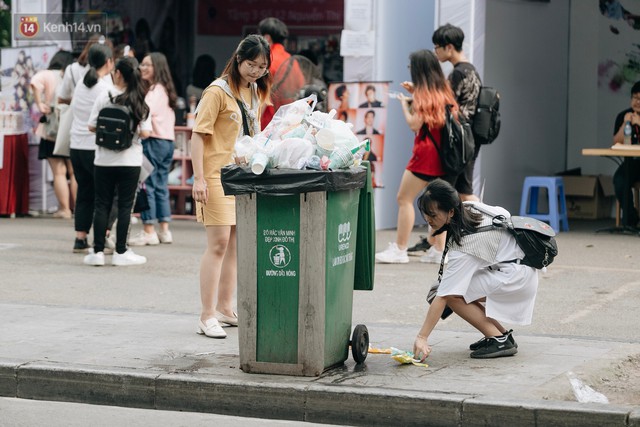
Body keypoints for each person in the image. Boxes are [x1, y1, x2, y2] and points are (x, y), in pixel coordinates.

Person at [190, 34, 271, 338]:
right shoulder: (217, 91)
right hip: (216, 174)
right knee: (219, 244)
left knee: (235, 245)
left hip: (242, 176)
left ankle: (225, 308)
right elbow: (198, 135)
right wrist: (198, 178)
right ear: (239, 59)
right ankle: (206, 314)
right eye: (252, 64)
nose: (256, 71)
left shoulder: (255, 92)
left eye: (262, 67)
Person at [412, 179, 538, 360]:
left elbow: (444, 294)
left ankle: (497, 338)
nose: (428, 220)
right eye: (425, 214)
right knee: (457, 289)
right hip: (520, 270)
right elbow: (504, 213)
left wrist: (422, 337)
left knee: (453, 295)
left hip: (515, 278)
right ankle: (503, 336)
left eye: (433, 215)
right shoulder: (471, 207)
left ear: (451, 211)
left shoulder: (465, 243)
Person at [374, 49, 459, 265]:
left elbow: (414, 124)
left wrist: (405, 104)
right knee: (437, 203)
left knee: (404, 199)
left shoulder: (424, 94)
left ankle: (400, 249)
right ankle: (440, 250)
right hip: (442, 154)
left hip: (425, 154)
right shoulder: (444, 90)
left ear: (419, 70)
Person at [408, 23, 483, 259]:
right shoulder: (471, 70)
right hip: (467, 140)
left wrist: (417, 95)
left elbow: (441, 107)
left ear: (449, 47)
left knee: (450, 193)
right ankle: (438, 241)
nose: (436, 52)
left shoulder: (458, 74)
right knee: (462, 191)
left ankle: (484, 228)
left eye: (438, 47)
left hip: (456, 142)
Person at [83, 56, 152, 266]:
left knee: (101, 204)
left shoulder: (105, 95)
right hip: (130, 161)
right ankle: (121, 252)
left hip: (103, 160)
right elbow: (146, 133)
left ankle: (97, 252)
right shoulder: (139, 98)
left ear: (119, 73)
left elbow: (91, 126)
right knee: (124, 206)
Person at [69, 43, 114, 254]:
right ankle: (101, 237)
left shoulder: (81, 83)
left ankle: (80, 237)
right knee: (102, 196)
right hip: (93, 148)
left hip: (75, 146)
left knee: (84, 192)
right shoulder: (105, 88)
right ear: (109, 62)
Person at [128, 52, 177, 246]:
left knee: (146, 185)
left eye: (147, 65)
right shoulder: (165, 90)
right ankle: (164, 230)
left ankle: (149, 230)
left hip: (153, 142)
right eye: (142, 64)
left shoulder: (154, 91)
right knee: (160, 186)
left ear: (157, 67)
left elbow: (142, 112)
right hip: (167, 143)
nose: (142, 67)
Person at [30, 50, 75, 219]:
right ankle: (79, 207)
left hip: (52, 130)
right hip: (71, 127)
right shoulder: (72, 74)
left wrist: (40, 103)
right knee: (75, 171)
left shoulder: (48, 74)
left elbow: (34, 82)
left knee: (59, 172)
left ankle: (64, 209)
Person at [258, 17, 295, 129]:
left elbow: (262, 95)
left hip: (269, 122)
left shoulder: (266, 60)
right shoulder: (291, 60)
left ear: (267, 38)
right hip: (289, 121)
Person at [612, 80, 640, 227]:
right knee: (620, 181)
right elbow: (616, 142)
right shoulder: (623, 115)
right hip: (631, 162)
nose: (638, 102)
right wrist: (625, 124)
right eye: (635, 98)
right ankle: (630, 220)